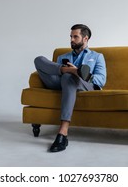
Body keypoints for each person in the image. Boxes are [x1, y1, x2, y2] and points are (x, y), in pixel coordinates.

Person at [34, 24, 107, 152]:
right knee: (39, 60)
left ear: (85, 39)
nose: (71, 40)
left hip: (85, 85)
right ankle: (68, 70)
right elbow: (54, 73)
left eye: (75, 36)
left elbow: (101, 80)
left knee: (69, 77)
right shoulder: (62, 57)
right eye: (71, 37)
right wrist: (68, 70)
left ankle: (63, 133)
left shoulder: (97, 56)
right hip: (62, 82)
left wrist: (80, 74)